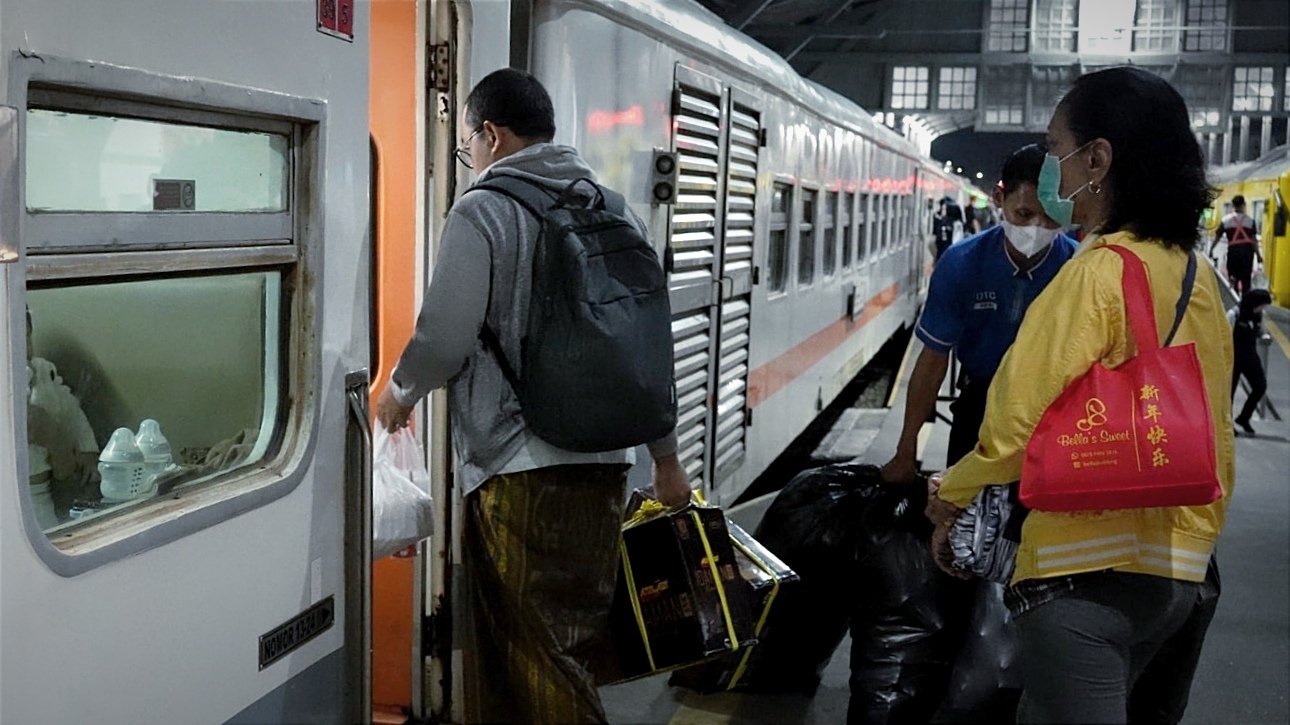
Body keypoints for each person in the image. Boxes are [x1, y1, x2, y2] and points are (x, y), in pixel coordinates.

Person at [374, 68, 690, 724]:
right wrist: (667, 458)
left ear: (490, 133)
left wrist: (399, 393)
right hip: (606, 462)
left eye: (468, 143)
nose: (470, 157)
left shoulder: (483, 208)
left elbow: (445, 334)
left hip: (520, 469)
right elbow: (646, 347)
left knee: (529, 654)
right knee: (569, 641)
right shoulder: (612, 207)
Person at [926, 67, 1234, 724]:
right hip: (1177, 576)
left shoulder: (1097, 271)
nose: (1053, 175)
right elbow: (1214, 427)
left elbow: (1013, 423)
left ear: (1097, 159)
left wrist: (951, 497)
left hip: (1082, 575)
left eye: (1056, 150)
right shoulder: (1196, 275)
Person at [883, 144, 1077, 486]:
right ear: (998, 198)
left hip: (1055, 415)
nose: (1037, 227)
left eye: (1050, 217)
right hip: (979, 406)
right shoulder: (962, 263)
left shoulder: (1077, 269)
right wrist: (906, 446)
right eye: (1024, 214)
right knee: (960, 518)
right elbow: (932, 362)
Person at [1230, 288, 1273, 435]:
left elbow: (1261, 330)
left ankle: (1244, 417)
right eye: (1262, 305)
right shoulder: (1235, 313)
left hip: (1250, 357)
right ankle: (1227, 425)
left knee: (1260, 385)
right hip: (1234, 358)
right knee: (1229, 393)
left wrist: (1265, 337)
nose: (1262, 309)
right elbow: (1226, 333)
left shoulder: (1258, 316)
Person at [1209, 194, 1262, 294]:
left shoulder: (1225, 220)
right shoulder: (1250, 221)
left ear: (1233, 205)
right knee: (1246, 281)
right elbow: (1254, 240)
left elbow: (1217, 237)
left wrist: (1211, 250)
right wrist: (1258, 256)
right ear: (1244, 205)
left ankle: (1234, 300)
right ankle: (1246, 304)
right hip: (1247, 254)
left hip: (1233, 253)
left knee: (1233, 280)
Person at [933, 196, 965, 261]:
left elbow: (938, 240)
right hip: (953, 254)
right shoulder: (959, 224)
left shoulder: (943, 222)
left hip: (943, 252)